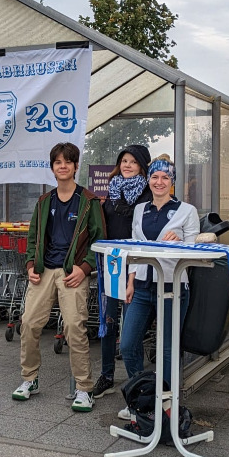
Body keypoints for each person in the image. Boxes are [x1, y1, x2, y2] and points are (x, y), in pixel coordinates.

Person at [12, 142, 106, 412]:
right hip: (43, 272)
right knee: (29, 323)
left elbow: (99, 240)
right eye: (58, 162)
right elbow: (32, 238)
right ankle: (29, 379)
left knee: (74, 328)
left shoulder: (88, 201)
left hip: (73, 272)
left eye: (68, 161)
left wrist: (84, 268)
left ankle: (83, 388)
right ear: (52, 167)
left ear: (76, 166)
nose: (62, 166)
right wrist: (31, 265)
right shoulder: (44, 202)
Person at [118, 155, 199, 421]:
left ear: (172, 182)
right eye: (155, 176)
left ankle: (165, 404)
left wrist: (181, 241)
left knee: (166, 349)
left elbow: (195, 251)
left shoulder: (187, 211)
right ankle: (141, 395)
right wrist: (129, 281)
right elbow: (133, 248)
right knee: (128, 343)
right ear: (148, 180)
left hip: (172, 286)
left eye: (165, 177)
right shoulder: (141, 209)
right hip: (141, 286)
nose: (159, 181)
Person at [92, 144, 152, 400]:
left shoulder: (147, 194)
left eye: (133, 162)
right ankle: (106, 374)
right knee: (109, 319)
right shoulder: (112, 190)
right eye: (124, 161)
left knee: (131, 325)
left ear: (142, 166)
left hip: (135, 265)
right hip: (113, 263)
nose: (127, 165)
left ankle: (135, 380)